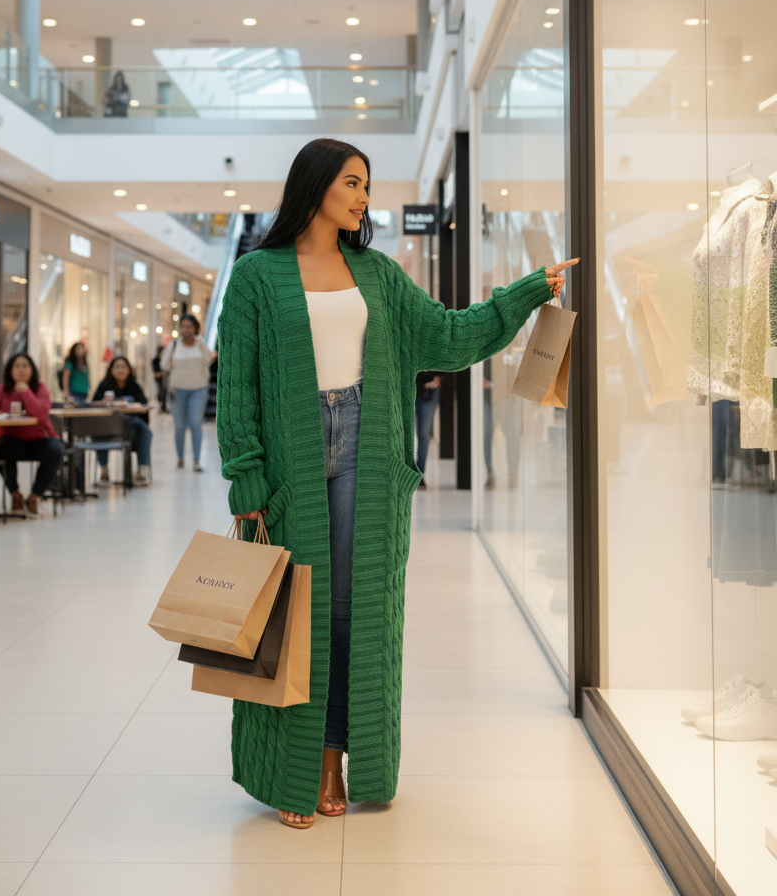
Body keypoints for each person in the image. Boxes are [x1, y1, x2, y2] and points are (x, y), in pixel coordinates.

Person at [217, 136, 578, 829]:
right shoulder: (258, 276)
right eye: (351, 182)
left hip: (367, 448)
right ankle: (290, 766)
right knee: (294, 612)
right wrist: (247, 479)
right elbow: (237, 384)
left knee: (351, 607)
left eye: (367, 185)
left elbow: (449, 334)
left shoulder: (377, 273)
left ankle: (333, 758)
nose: (362, 196)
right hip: (290, 456)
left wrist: (528, 293)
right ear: (315, 185)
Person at [0, 352, 64, 517]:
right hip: (12, 440)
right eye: (17, 366)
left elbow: (40, 413)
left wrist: (26, 392)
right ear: (10, 370)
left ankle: (34, 496)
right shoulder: (2, 390)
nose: (21, 370)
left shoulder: (40, 389)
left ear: (32, 369)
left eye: (25, 366)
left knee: (55, 450)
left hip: (39, 439)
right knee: (1, 449)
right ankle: (15, 495)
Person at [160, 314, 215, 471]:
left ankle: (197, 460)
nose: (185, 330)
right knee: (179, 426)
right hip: (177, 391)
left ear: (195, 329)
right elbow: (164, 365)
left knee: (196, 424)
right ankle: (180, 458)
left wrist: (201, 344)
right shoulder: (174, 345)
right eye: (183, 326)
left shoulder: (200, 343)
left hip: (198, 390)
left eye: (189, 327)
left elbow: (209, 359)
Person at [91, 355, 152, 486]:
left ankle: (141, 469)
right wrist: (104, 402)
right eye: (117, 367)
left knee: (145, 431)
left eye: (123, 366)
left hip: (131, 424)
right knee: (97, 432)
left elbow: (143, 406)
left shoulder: (135, 387)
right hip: (108, 425)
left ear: (129, 370)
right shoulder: (104, 386)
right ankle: (104, 469)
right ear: (111, 370)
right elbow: (94, 403)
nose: (120, 370)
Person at [414, 371, 442, 487]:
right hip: (409, 386)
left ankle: (420, 474)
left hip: (430, 391)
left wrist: (438, 379)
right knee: (405, 433)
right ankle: (404, 472)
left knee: (424, 435)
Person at [62, 341, 89, 405]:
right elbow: (65, 377)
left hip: (84, 391)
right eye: (78, 349)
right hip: (74, 392)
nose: (80, 351)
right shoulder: (70, 363)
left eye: (81, 348)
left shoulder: (85, 364)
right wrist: (66, 391)